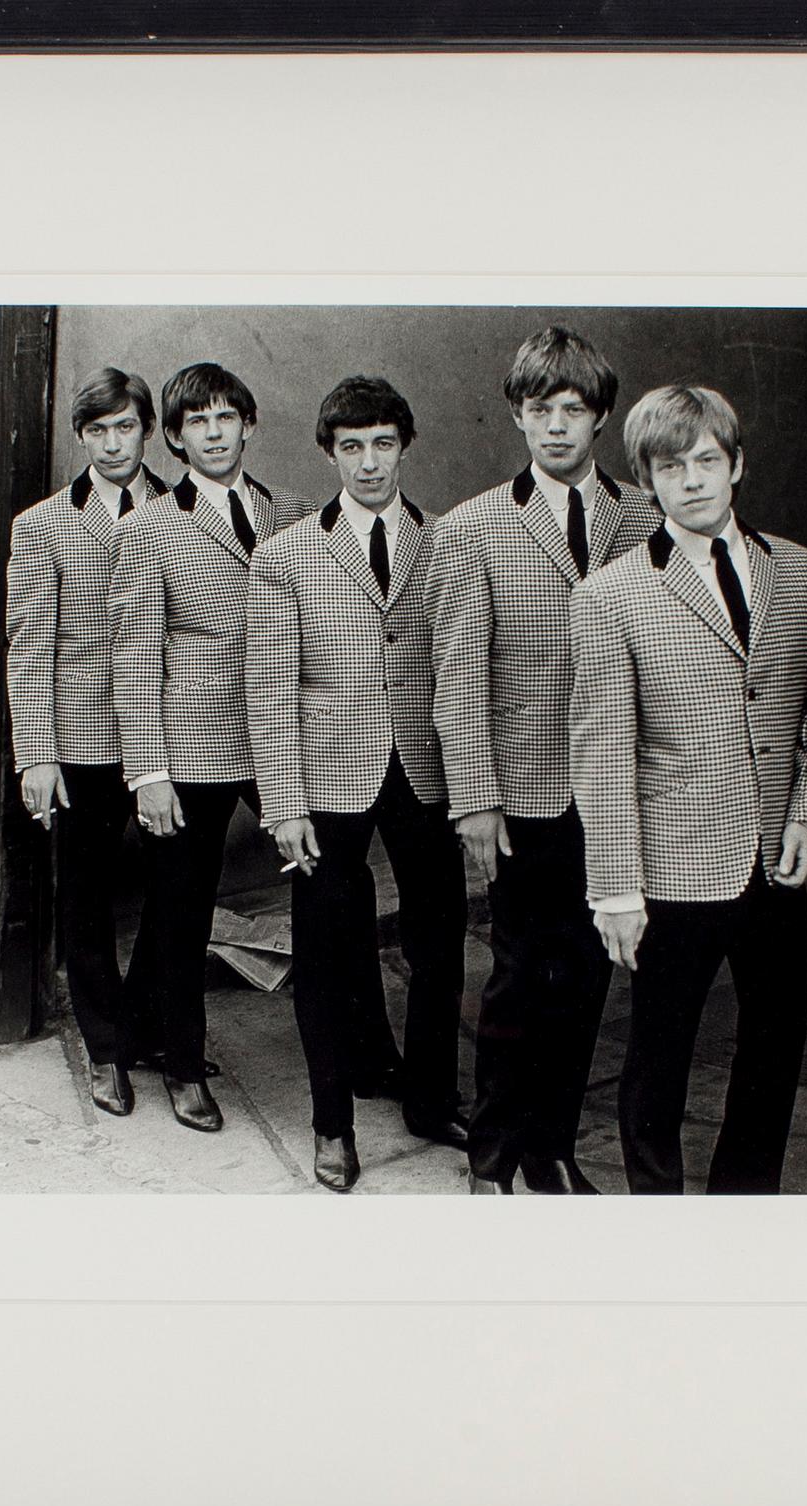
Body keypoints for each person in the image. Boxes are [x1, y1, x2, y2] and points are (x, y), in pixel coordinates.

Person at [568, 385, 807, 1194]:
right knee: (658, 1055)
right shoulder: (611, 596)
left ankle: (742, 1207)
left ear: (737, 465)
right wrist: (615, 889)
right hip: (672, 869)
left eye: (706, 461)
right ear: (647, 481)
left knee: (774, 1045)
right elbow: (602, 754)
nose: (691, 480)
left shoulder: (802, 573)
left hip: (774, 860)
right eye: (669, 466)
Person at [427, 327, 657, 1195]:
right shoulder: (475, 526)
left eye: (573, 409)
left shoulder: (644, 517)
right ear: (518, 416)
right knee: (520, 976)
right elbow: (458, 674)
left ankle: (550, 1145)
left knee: (591, 971)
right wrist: (475, 800)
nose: (556, 426)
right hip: (522, 790)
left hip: (617, 790)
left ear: (600, 417)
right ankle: (491, 1157)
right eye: (538, 409)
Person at [246, 376, 469, 1192]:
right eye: (351, 446)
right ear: (330, 451)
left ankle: (430, 1098)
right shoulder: (287, 555)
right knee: (328, 950)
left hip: (426, 766)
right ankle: (331, 1123)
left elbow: (463, 668)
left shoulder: (449, 542)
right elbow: (268, 687)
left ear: (404, 445)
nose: (369, 462)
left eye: (382, 443)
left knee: (439, 944)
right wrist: (284, 802)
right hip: (327, 777)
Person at [110, 363, 311, 1133]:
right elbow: (134, 655)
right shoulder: (148, 527)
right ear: (175, 436)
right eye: (197, 421)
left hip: (277, 738)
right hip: (191, 747)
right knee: (182, 910)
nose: (215, 432)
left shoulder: (290, 512)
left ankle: (361, 1054)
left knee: (331, 883)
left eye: (227, 417)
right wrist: (150, 772)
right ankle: (184, 1068)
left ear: (249, 425)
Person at [4, 366, 170, 1117]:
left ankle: (143, 1025)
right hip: (83, 737)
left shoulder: (183, 506)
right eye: (97, 430)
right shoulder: (43, 524)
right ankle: (106, 1048)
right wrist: (36, 753)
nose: (112, 443)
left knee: (177, 892)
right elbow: (29, 645)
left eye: (125, 426)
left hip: (171, 734)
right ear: (81, 437)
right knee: (87, 895)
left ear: (147, 429)